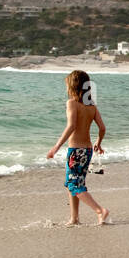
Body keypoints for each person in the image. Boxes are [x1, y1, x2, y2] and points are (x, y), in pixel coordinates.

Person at [46, 70, 110, 226]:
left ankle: (100, 210)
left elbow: (71, 126)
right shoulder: (91, 106)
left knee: (74, 184)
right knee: (74, 183)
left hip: (75, 150)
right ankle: (74, 218)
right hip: (87, 150)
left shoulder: (72, 103)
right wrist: (98, 143)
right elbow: (102, 128)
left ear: (73, 85)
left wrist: (56, 146)